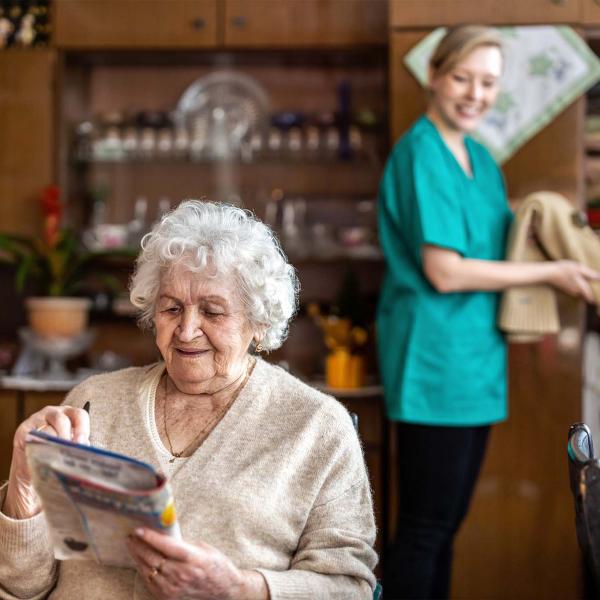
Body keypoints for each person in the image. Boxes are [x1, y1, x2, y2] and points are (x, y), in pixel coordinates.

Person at [0, 200, 377, 600]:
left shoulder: (315, 426)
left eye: (212, 311)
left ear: (259, 323)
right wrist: (22, 488)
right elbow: (22, 586)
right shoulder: (94, 400)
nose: (186, 329)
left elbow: (348, 587)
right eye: (171, 308)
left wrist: (239, 590)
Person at [377, 25, 600, 599]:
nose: (475, 94)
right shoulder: (421, 152)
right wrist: (553, 274)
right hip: (434, 361)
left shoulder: (479, 156)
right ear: (434, 75)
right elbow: (445, 271)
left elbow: (499, 237)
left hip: (476, 359)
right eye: (462, 78)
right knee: (425, 530)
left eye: (488, 83)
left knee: (447, 527)